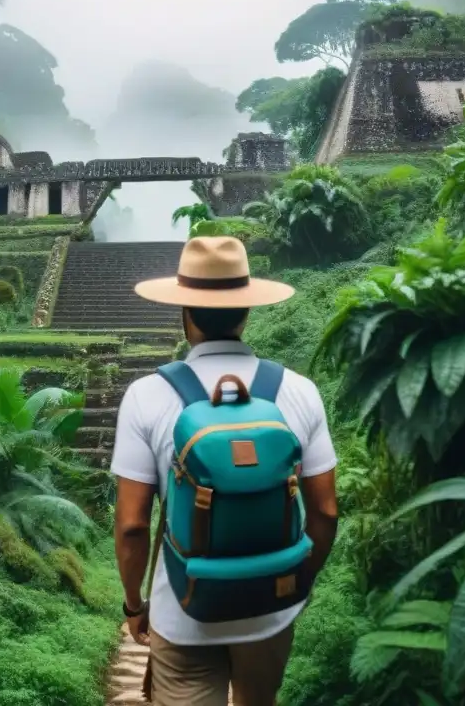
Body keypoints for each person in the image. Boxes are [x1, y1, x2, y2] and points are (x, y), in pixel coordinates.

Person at [111, 236, 339, 706]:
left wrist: (134, 603)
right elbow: (326, 512)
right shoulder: (298, 391)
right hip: (270, 608)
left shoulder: (146, 396)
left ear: (184, 312)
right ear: (246, 310)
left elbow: (133, 526)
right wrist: (297, 583)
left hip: (183, 609)